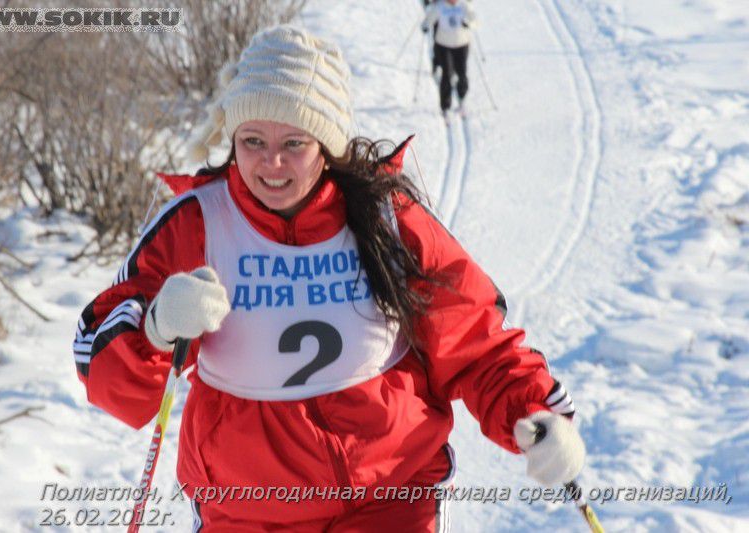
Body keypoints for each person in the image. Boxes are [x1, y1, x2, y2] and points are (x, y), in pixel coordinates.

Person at [73, 25, 585, 531]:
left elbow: (473, 339)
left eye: (294, 142)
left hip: (391, 494)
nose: (272, 162)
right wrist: (158, 328)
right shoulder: (196, 224)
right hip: (247, 507)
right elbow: (102, 369)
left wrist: (535, 412)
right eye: (252, 140)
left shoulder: (386, 218)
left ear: (328, 146)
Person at [422, 0, 477, 118]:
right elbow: (428, 20)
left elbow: (475, 21)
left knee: (462, 73)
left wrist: (469, 24)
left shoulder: (464, 5)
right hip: (444, 45)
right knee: (447, 74)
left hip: (462, 44)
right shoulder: (439, 6)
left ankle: (462, 99)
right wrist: (425, 26)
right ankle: (445, 107)